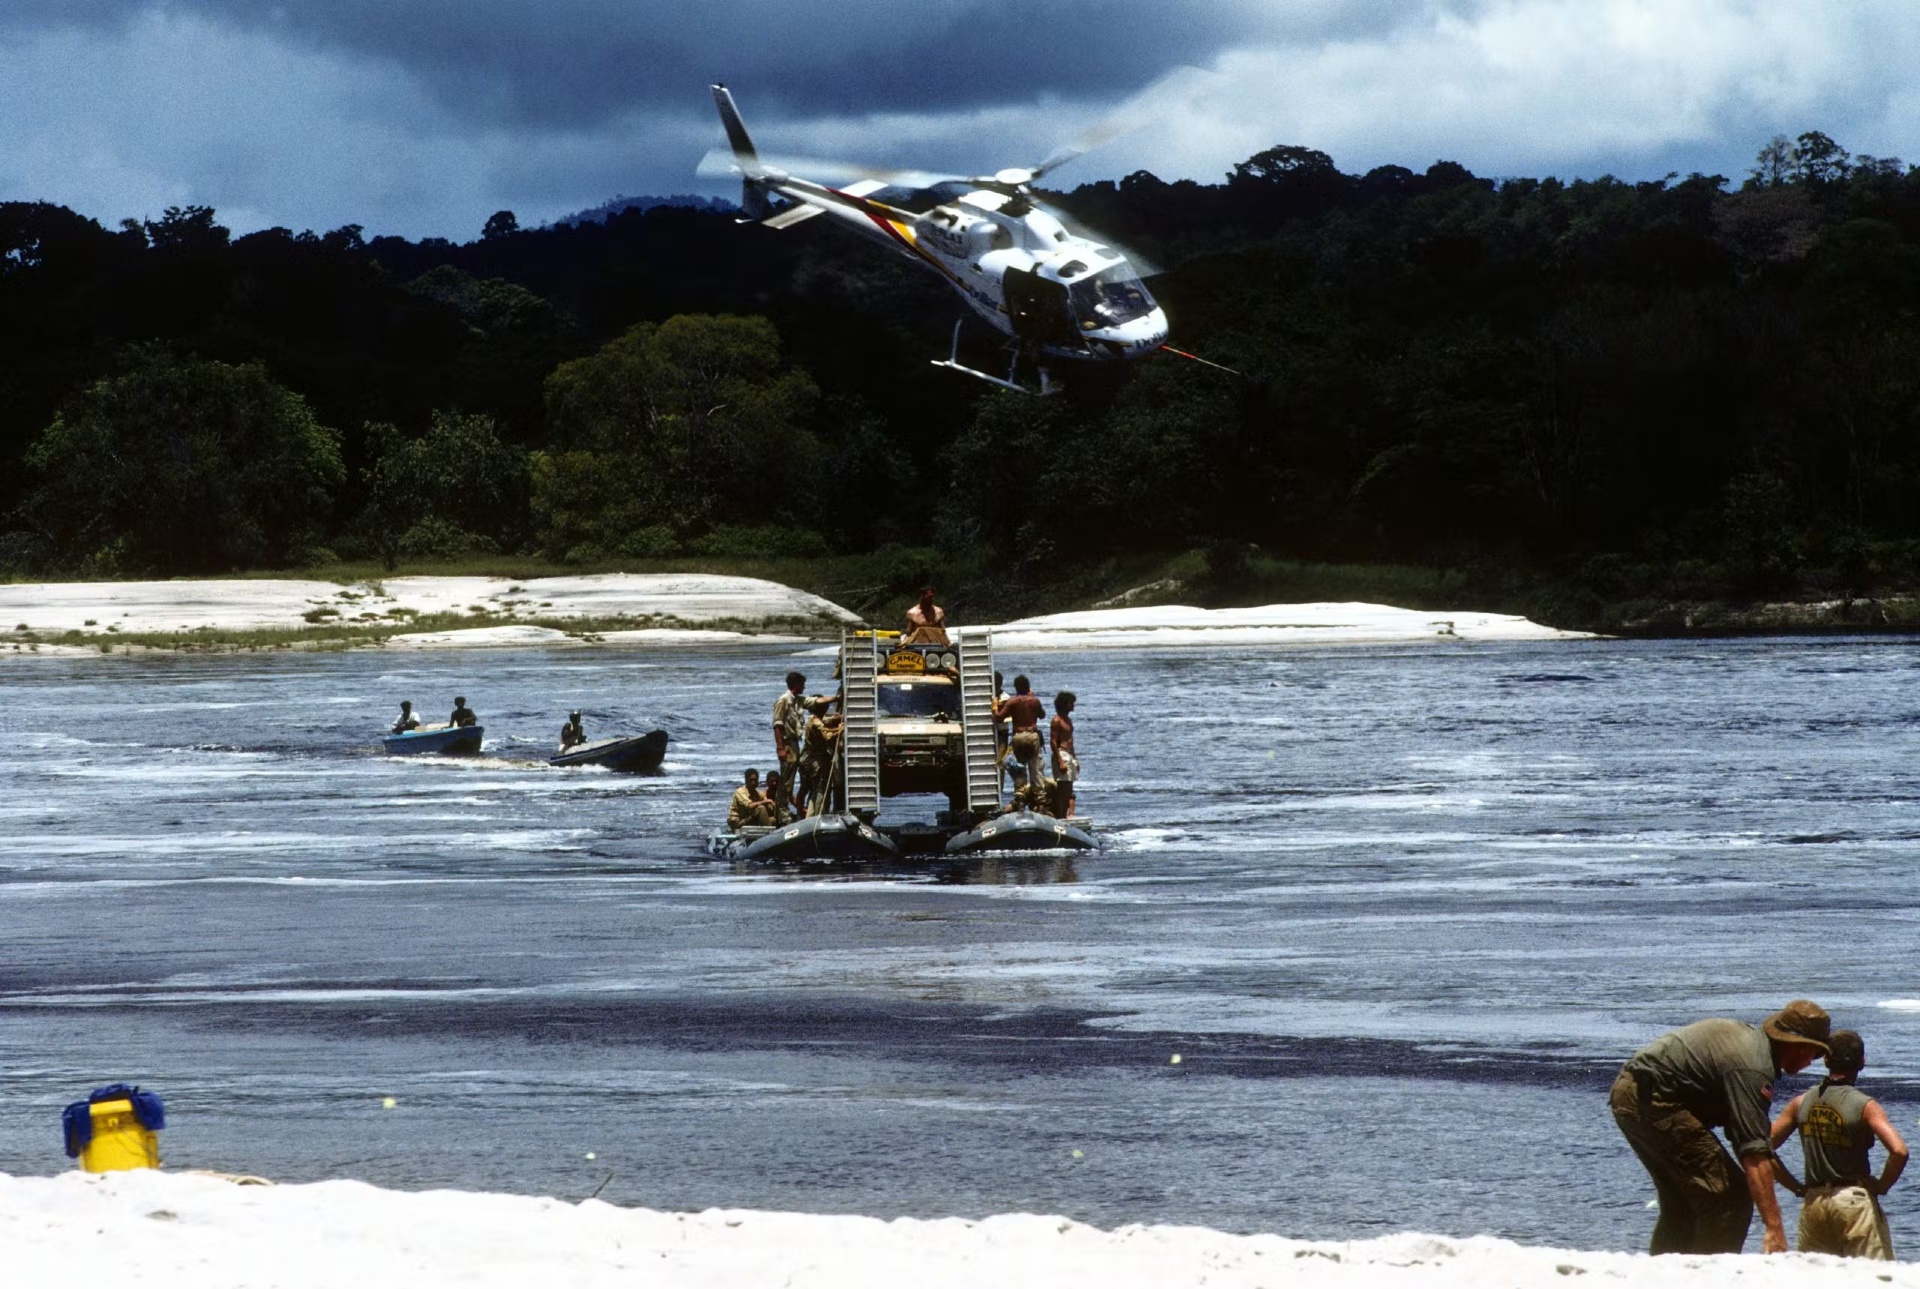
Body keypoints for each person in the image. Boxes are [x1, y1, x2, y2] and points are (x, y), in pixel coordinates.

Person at [1610, 999, 1832, 1255]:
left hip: (1632, 1094)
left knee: (1682, 1203)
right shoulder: (1752, 1068)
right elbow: (1754, 1154)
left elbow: (1757, 1147)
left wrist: (1796, 1188)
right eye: (1816, 1053)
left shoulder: (1752, 1048)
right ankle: (1709, 1276)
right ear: (1800, 1046)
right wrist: (1774, 1229)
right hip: (1654, 1100)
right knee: (1731, 1198)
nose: (1814, 1061)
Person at [1769, 1029, 1906, 1259]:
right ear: (1862, 1063)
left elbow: (1763, 1148)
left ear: (1825, 1060)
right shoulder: (1865, 1106)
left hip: (1814, 1202)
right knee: (1872, 1277)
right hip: (1853, 1201)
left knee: (1816, 1278)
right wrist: (1882, 1186)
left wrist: (1795, 1187)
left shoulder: (1800, 1103)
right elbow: (1899, 1151)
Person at [772, 672, 820, 810]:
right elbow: (777, 725)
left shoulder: (798, 700)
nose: (804, 687)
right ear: (797, 685)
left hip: (794, 744)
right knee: (787, 780)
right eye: (802, 684)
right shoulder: (783, 700)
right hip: (787, 745)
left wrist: (836, 698)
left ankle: (787, 808)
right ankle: (782, 812)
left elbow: (814, 701)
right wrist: (780, 748)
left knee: (792, 779)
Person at [996, 675, 1046, 794]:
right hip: (1032, 735)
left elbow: (999, 717)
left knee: (1019, 770)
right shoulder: (1034, 701)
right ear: (1028, 687)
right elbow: (1042, 715)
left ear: (1016, 688)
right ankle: (1039, 799)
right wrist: (1033, 699)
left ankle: (1020, 798)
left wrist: (994, 707)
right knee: (1035, 770)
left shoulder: (1012, 702)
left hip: (1018, 736)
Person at [800, 699, 842, 816]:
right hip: (817, 760)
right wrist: (840, 730)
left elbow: (826, 723)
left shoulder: (811, 719)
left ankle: (810, 817)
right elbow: (828, 736)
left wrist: (838, 720)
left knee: (815, 790)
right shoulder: (817, 722)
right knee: (822, 790)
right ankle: (820, 815)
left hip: (809, 760)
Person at [1050, 690, 1078, 817]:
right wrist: (1060, 760)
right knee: (1063, 789)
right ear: (1066, 704)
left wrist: (1076, 759)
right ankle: (1060, 815)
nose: (1073, 705)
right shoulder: (1057, 720)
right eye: (1071, 703)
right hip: (1062, 754)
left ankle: (1067, 814)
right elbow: (1053, 742)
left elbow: (1070, 740)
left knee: (1069, 788)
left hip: (1069, 754)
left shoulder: (1068, 720)